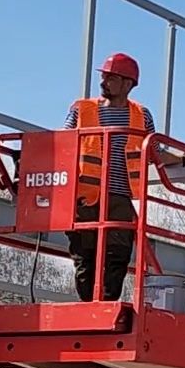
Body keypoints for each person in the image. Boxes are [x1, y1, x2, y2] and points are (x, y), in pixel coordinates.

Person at [65, 53, 156, 302]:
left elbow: (153, 152)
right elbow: (63, 147)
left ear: (128, 84)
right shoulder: (81, 110)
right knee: (85, 255)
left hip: (119, 197)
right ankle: (87, 307)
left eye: (111, 77)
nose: (104, 81)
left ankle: (105, 305)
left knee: (117, 254)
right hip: (85, 198)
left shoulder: (141, 115)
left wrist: (184, 159)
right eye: (103, 76)